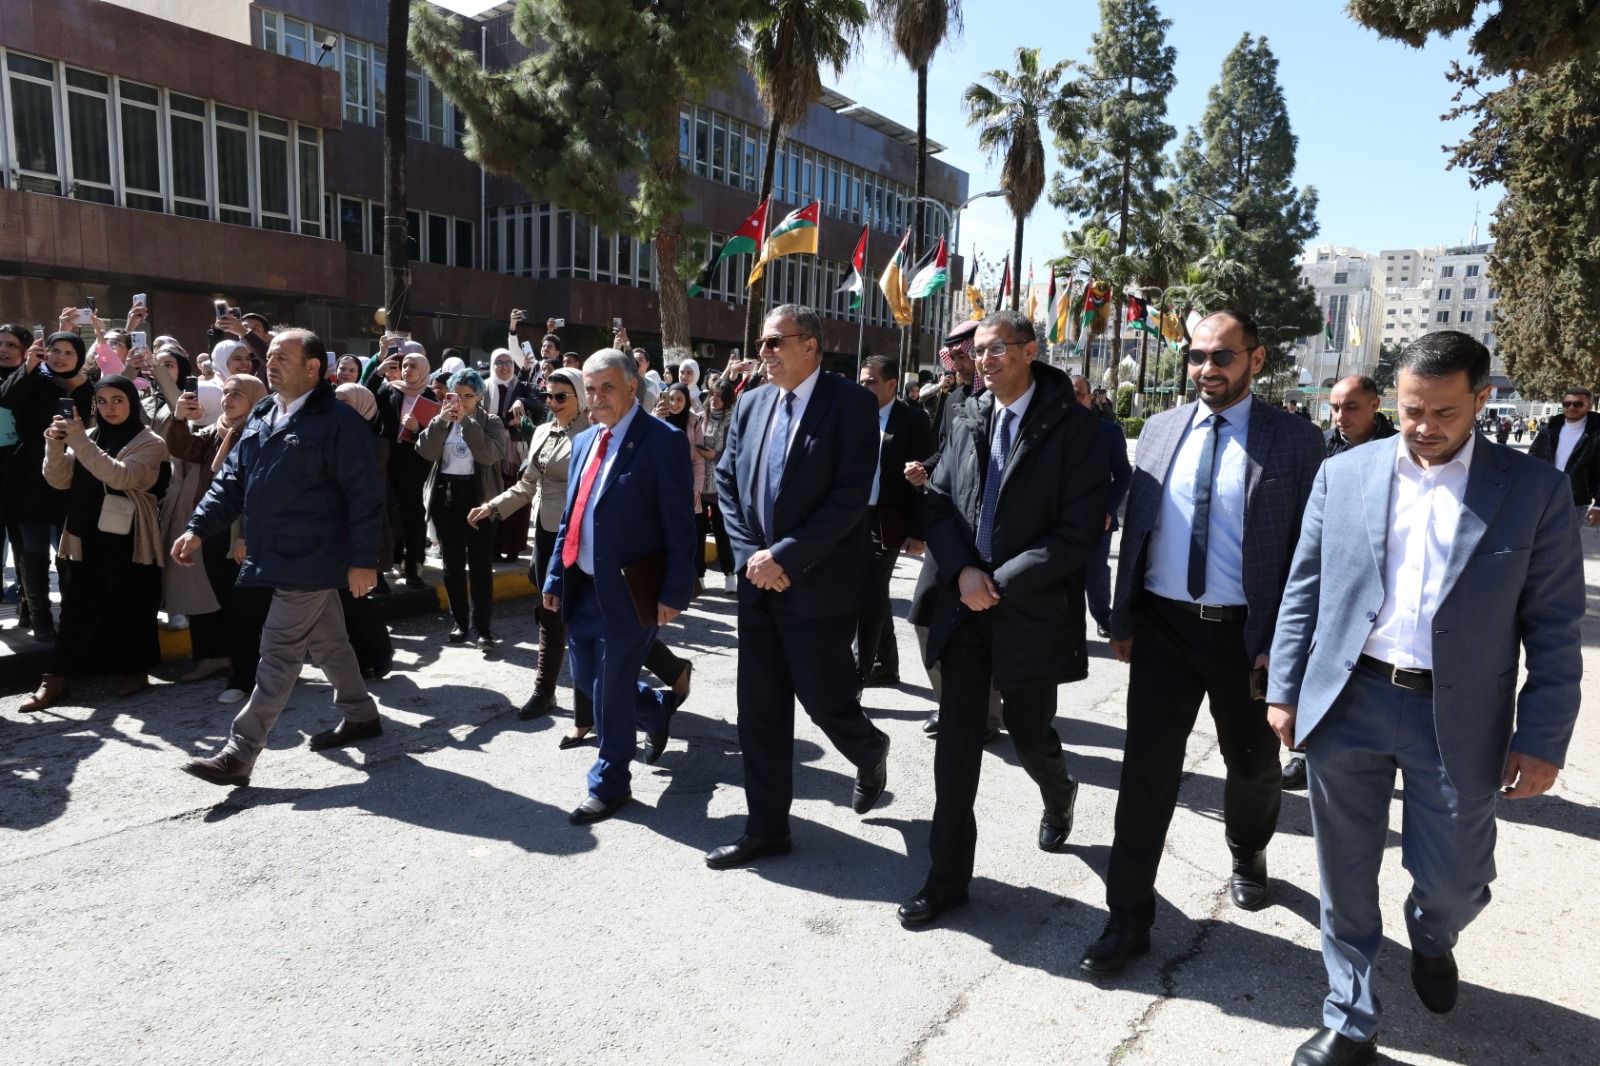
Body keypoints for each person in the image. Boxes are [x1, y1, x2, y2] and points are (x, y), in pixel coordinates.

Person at [1267, 332, 1585, 1066]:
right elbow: (1303, 588)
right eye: (1412, 410)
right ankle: (1350, 1016)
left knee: (1455, 881)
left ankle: (1432, 933)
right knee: (1344, 871)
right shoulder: (1344, 473)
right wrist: (1285, 688)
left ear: (1481, 400)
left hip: (1459, 717)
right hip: (1350, 700)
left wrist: (1542, 738)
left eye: (1445, 411)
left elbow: (1555, 627)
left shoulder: (1533, 490)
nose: (1425, 426)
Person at [1082, 310, 1325, 977]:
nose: (1206, 369)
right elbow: (1138, 533)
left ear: (1256, 359)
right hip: (1164, 629)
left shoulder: (1295, 440)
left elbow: (1312, 551)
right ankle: (1127, 918)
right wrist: (1123, 616)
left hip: (1248, 636)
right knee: (1145, 774)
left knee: (1252, 765)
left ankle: (1248, 848)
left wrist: (1287, 645)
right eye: (1196, 356)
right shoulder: (1162, 431)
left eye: (1222, 356)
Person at [898, 311, 1109, 928]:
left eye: (996, 349)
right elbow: (939, 501)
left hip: (1031, 611)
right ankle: (945, 881)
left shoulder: (1075, 428)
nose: (983, 360)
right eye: (977, 350)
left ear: (1030, 351)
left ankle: (1059, 791)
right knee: (956, 751)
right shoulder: (966, 414)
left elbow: (1076, 534)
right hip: (965, 609)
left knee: (1029, 733)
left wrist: (999, 583)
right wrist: (965, 571)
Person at [707, 304, 892, 869]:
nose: (762, 353)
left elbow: (849, 497)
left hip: (817, 584)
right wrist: (750, 557)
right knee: (759, 712)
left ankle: (870, 748)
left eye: (773, 342)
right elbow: (727, 480)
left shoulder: (851, 404)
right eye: (762, 343)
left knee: (825, 701)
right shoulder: (752, 403)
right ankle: (767, 830)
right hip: (757, 584)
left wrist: (783, 556)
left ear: (810, 345)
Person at [175, 329, 385, 788]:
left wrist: (363, 559)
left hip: (314, 554)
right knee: (329, 642)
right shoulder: (263, 413)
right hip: (276, 552)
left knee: (278, 652)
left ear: (313, 367)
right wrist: (197, 527)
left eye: (282, 357)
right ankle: (361, 715)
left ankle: (240, 751)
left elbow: (365, 495)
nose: (270, 363)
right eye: (268, 356)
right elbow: (232, 480)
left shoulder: (339, 422)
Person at [541, 349, 696, 824]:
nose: (597, 397)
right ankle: (655, 708)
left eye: (607, 387)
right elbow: (571, 518)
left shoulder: (663, 441)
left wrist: (674, 592)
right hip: (583, 585)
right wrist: (555, 575)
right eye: (590, 389)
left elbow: (680, 525)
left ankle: (609, 783)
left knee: (609, 691)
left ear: (632, 386)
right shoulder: (586, 441)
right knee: (588, 681)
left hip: (633, 591)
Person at [19, 376, 169, 710]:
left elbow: (121, 476)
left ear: (131, 402)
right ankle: (56, 679)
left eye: (118, 400)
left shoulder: (150, 441)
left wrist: (78, 440)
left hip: (130, 537)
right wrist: (55, 444)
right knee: (75, 607)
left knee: (131, 603)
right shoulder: (86, 436)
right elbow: (59, 480)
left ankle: (134, 670)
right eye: (102, 401)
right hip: (84, 532)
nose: (109, 408)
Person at [1281, 374, 1400, 791]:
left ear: (1375, 405)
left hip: (1368, 582)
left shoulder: (1398, 453)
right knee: (1312, 662)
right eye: (1334, 407)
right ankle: (1301, 752)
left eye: (1350, 407)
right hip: (1320, 570)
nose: (1340, 416)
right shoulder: (1322, 447)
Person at [471, 367, 587, 735]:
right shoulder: (542, 431)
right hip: (547, 533)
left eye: (561, 396)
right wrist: (493, 506)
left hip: (581, 536)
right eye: (547, 396)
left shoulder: (594, 434)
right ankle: (544, 690)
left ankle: (669, 670)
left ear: (581, 397)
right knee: (550, 612)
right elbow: (526, 485)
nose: (552, 402)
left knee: (591, 616)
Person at [905, 321, 1001, 739]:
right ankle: (951, 702)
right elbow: (946, 453)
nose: (959, 365)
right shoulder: (954, 399)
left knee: (986, 627)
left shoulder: (1006, 402)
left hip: (992, 530)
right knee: (924, 614)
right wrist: (923, 468)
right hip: (949, 528)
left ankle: (988, 716)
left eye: (965, 356)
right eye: (956, 357)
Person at [163, 373, 272, 696]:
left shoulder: (262, 433)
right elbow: (184, 448)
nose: (227, 399)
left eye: (237, 394)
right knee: (227, 602)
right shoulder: (217, 430)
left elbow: (261, 490)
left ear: (255, 398)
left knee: (247, 607)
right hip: (215, 527)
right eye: (226, 392)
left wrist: (246, 536)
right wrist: (179, 419)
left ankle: (251, 676)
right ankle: (244, 671)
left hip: (246, 530)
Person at [0, 331, 95, 640]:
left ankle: (71, 617)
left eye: (69, 352)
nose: (61, 357)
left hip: (69, 476)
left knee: (67, 553)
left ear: (79, 357)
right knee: (33, 550)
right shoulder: (32, 378)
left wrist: (80, 386)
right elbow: (6, 399)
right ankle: (40, 619)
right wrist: (27, 368)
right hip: (28, 476)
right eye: (55, 350)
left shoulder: (85, 386)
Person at [855, 355, 934, 689]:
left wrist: (919, 532)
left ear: (891, 384)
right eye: (861, 381)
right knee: (873, 593)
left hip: (889, 520)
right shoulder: (855, 414)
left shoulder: (913, 420)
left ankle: (857, 675)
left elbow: (926, 478)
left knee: (867, 595)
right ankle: (886, 667)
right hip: (855, 518)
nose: (864, 387)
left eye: (871, 382)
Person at [416, 368, 508, 649]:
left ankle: (483, 628)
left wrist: (467, 422)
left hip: (478, 497)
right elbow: (425, 451)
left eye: (468, 396)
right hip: (446, 495)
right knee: (452, 565)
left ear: (479, 397)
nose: (461, 401)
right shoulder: (441, 419)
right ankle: (459, 622)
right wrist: (441, 422)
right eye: (456, 395)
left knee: (480, 566)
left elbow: (489, 454)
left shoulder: (490, 421)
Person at [333, 382, 395, 679]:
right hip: (333, 528)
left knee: (354, 598)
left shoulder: (373, 443)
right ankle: (361, 658)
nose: (336, 408)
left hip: (358, 529)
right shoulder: (333, 436)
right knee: (343, 600)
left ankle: (378, 653)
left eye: (344, 402)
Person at [1071, 373, 1133, 639]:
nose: (1073, 399)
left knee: (1096, 571)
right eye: (1068, 394)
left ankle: (1102, 616)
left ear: (1090, 397)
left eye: (1079, 394)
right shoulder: (1051, 429)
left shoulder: (1109, 432)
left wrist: (1108, 509)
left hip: (1098, 518)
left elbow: (1124, 475)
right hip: (1059, 518)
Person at [376, 347, 438, 589]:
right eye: (405, 366)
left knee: (412, 515)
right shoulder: (390, 390)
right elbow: (369, 404)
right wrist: (377, 372)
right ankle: (390, 560)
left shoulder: (431, 397)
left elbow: (437, 435)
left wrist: (416, 429)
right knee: (389, 513)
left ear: (423, 370)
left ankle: (413, 567)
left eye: (413, 366)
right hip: (389, 460)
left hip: (416, 463)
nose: (407, 370)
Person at [484, 347, 543, 561]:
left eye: (508, 362)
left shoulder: (522, 387)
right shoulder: (484, 387)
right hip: (491, 450)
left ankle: (513, 548)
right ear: (492, 365)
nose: (504, 367)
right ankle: (493, 547)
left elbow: (540, 405)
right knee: (493, 496)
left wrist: (522, 401)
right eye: (499, 362)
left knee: (518, 498)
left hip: (517, 453)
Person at [1528, 386, 1600, 528]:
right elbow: (1532, 458)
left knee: (1565, 540)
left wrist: (1598, 505)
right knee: (1534, 537)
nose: (1571, 407)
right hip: (1543, 496)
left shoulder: (1596, 433)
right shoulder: (1550, 429)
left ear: (1589, 406)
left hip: (1575, 500)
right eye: (1567, 404)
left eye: (1578, 404)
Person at [700, 380, 738, 593]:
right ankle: (699, 575)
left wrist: (715, 455)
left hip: (721, 485)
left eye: (720, 397)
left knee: (722, 533)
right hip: (699, 483)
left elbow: (736, 453)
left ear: (727, 400)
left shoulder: (732, 421)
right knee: (698, 533)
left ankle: (729, 574)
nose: (715, 399)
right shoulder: (700, 417)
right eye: (713, 395)